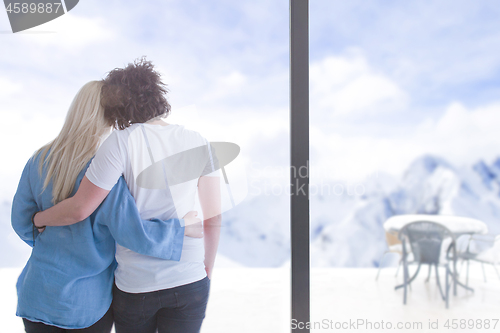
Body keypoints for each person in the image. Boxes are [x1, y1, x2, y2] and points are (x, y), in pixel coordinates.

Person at [34, 59, 222, 333]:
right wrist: (206, 271)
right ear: (158, 94)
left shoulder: (119, 142)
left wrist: (40, 218)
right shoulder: (200, 142)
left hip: (137, 285)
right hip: (189, 277)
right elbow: (213, 220)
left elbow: (80, 208)